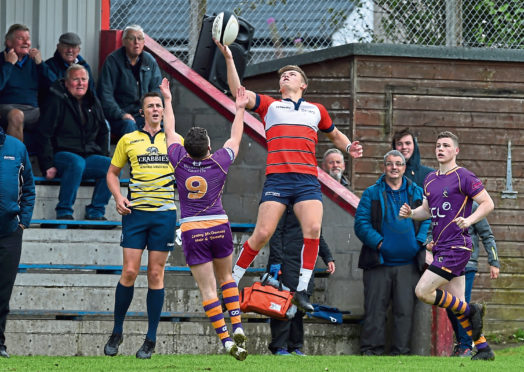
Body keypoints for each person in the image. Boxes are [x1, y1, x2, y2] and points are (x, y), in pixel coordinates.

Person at [215, 40, 363, 313]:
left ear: (303, 85)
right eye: (283, 75)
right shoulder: (270, 105)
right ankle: (231, 285)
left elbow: (335, 134)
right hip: (278, 179)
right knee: (261, 234)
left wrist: (349, 145)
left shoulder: (316, 110)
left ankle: (300, 291)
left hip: (307, 180)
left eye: (292, 74)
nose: (286, 76)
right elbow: (239, 93)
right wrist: (228, 58)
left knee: (314, 230)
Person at [165, 78, 249, 361]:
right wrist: (239, 110)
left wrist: (167, 99)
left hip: (191, 229)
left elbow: (168, 132)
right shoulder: (219, 162)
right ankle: (237, 325)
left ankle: (226, 342)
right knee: (227, 278)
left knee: (207, 288)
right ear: (209, 148)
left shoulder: (177, 159)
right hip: (218, 225)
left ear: (186, 148)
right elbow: (235, 138)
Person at [399, 131, 496, 361]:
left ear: (456, 151)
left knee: (422, 291)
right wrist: (411, 214)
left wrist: (470, 220)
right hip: (441, 247)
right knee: (457, 304)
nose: (440, 149)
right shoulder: (430, 179)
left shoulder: (464, 176)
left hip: (457, 247)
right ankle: (483, 349)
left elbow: (488, 203)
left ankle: (472, 311)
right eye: (438, 145)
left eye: (445, 145)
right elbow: (427, 210)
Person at [104, 82, 182, 359]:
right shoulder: (129, 140)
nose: (156, 109)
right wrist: (117, 197)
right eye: (151, 105)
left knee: (156, 274)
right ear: (142, 111)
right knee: (129, 272)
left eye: (159, 106)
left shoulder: (174, 140)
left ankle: (150, 339)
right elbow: (112, 174)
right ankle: (117, 331)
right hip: (135, 214)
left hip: (163, 215)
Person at [355, 150, 430, 356]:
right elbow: (361, 224)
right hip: (379, 262)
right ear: (384, 167)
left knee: (404, 312)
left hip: (408, 264)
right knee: (374, 311)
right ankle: (371, 351)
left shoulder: (416, 192)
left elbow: (427, 219)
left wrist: (418, 242)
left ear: (404, 168)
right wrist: (379, 243)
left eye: (398, 164)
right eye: (390, 164)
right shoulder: (372, 192)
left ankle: (401, 353)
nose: (394, 167)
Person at [38, 64, 111, 220]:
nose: (80, 83)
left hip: (88, 155)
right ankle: (64, 211)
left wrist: (102, 154)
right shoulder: (55, 99)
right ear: (66, 82)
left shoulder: (93, 100)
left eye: (83, 79)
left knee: (111, 166)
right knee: (76, 163)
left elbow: (104, 131)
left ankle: (96, 211)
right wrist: (47, 164)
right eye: (75, 79)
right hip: (62, 155)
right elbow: (44, 133)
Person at [266, 205, 335, 356]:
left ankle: (294, 346)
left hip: (305, 264)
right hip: (286, 261)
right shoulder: (284, 204)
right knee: (284, 304)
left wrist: (328, 257)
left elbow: (318, 236)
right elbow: (275, 232)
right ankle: (279, 347)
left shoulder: (312, 206)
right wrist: (276, 260)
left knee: (300, 305)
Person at [444, 201, 500, 357]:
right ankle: (463, 343)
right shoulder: (443, 204)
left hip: (467, 263)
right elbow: (432, 230)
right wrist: (429, 242)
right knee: (450, 306)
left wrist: (494, 261)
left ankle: (466, 346)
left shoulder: (474, 207)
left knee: (460, 303)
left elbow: (487, 235)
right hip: (446, 261)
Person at [0, 126, 35, 358]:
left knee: (3, 291)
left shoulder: (16, 147)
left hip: (9, 232)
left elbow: (29, 189)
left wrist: (22, 222)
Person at [98, 24, 162, 139]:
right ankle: (133, 157)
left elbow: (157, 90)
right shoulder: (112, 61)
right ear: (124, 42)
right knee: (130, 126)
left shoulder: (149, 60)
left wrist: (152, 110)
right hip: (120, 116)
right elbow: (105, 95)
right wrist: (121, 114)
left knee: (163, 124)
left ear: (144, 42)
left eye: (140, 38)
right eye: (132, 38)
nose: (136, 42)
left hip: (144, 114)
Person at [0, 24, 53, 141]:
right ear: (9, 42)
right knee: (17, 115)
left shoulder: (34, 62)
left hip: (32, 110)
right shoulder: (1, 60)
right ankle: (16, 158)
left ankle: (48, 158)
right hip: (6, 108)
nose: (26, 42)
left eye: (27, 39)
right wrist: (8, 65)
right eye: (20, 38)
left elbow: (55, 86)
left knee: (56, 113)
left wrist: (41, 64)